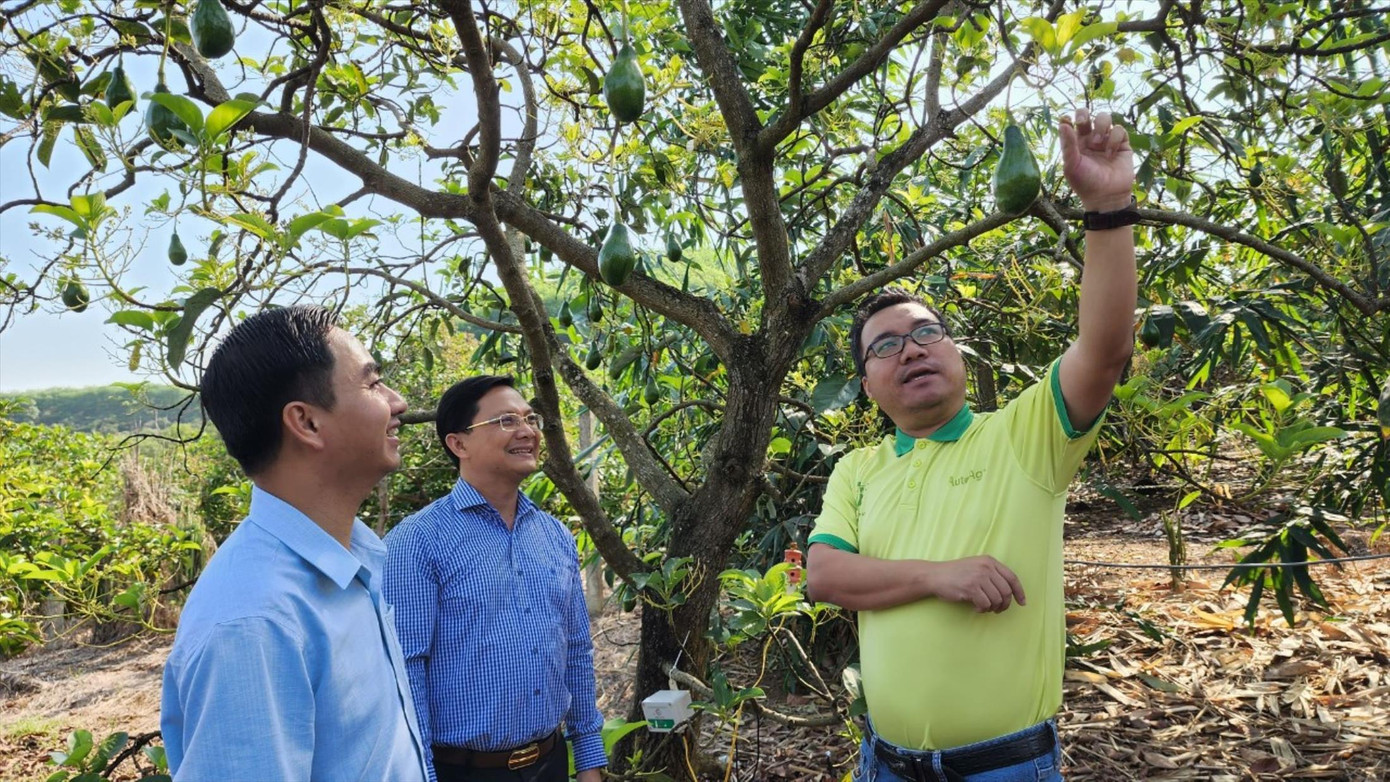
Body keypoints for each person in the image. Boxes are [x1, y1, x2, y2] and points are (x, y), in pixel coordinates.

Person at [806, 109, 1139, 782]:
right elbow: (825, 576)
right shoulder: (858, 469)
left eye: (926, 333)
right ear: (867, 386)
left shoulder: (1025, 437)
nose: (911, 350)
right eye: (886, 346)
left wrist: (1107, 208)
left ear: (956, 353)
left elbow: (1103, 353)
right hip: (885, 764)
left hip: (1004, 769)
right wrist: (941, 575)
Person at [160, 306, 429, 781]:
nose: (398, 401)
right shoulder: (254, 622)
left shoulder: (354, 560)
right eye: (372, 384)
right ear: (305, 423)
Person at [384, 375, 605, 782]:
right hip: (463, 772)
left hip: (550, 764)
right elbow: (406, 671)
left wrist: (589, 757)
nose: (527, 431)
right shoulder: (417, 541)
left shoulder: (554, 534)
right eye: (505, 421)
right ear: (459, 443)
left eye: (530, 418)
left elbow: (576, 648)